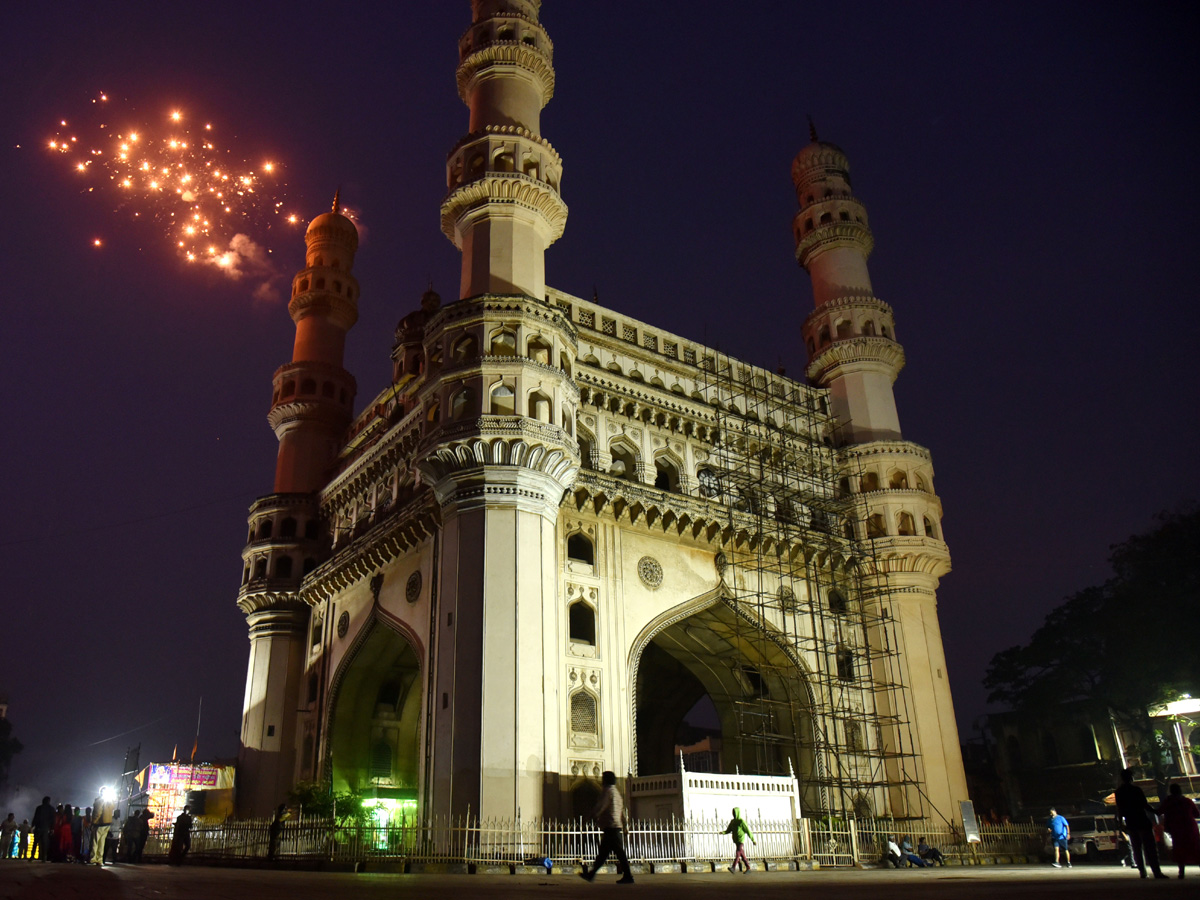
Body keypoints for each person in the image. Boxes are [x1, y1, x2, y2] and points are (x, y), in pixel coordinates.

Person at [580, 771, 634, 885]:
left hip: (611, 826)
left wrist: (591, 816)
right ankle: (592, 874)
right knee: (605, 853)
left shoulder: (607, 791)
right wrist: (625, 825)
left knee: (616, 853)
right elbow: (622, 812)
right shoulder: (617, 793)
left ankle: (628, 876)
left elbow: (601, 806)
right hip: (615, 826)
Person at [1115, 768, 1166, 879]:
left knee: (1137, 848)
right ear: (1131, 778)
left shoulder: (1119, 792)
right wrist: (1156, 812)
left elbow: (1120, 809)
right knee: (1150, 848)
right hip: (1142, 820)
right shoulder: (1136, 790)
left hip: (1131, 822)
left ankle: (1143, 872)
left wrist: (1120, 823)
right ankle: (1156, 872)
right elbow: (1145, 805)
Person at [1158, 783, 1200, 879]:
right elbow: (1196, 814)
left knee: (1179, 848)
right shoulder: (1187, 801)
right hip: (1190, 827)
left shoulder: (1168, 802)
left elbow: (1159, 811)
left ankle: (1181, 872)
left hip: (1176, 828)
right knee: (1194, 848)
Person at [721, 806, 755, 873]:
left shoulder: (741, 822)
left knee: (738, 852)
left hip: (741, 839)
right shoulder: (733, 822)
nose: (734, 814)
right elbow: (729, 830)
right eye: (733, 813)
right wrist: (723, 832)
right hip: (736, 840)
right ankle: (748, 867)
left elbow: (748, 831)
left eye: (735, 813)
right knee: (741, 854)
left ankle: (733, 867)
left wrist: (753, 840)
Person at [91, 794, 115, 866]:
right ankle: (100, 859)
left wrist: (94, 822)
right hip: (107, 823)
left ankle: (93, 859)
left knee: (95, 842)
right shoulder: (110, 801)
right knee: (102, 842)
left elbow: (97, 813)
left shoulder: (99, 801)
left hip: (99, 823)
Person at [31, 797, 53, 862]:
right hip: (45, 828)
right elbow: (52, 819)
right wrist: (52, 828)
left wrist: (33, 825)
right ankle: (43, 858)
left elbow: (35, 817)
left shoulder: (39, 808)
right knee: (44, 844)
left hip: (38, 827)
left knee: (35, 843)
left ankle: (32, 856)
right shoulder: (51, 809)